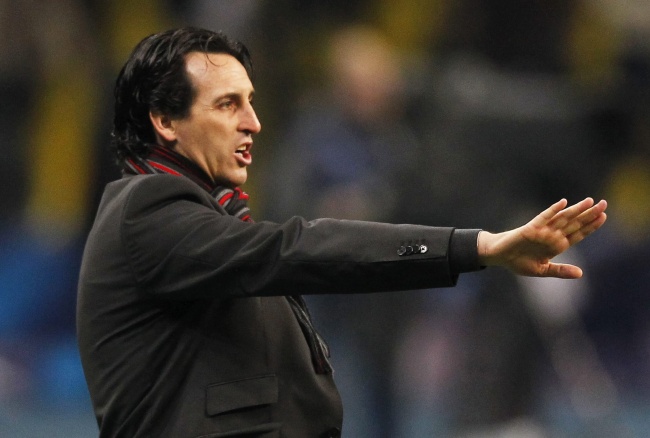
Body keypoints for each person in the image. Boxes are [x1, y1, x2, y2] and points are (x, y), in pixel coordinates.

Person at [76, 27, 608, 438]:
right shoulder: (147, 211)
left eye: (251, 101)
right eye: (227, 104)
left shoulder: (210, 216)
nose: (253, 122)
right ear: (164, 122)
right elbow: (294, 247)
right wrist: (476, 246)